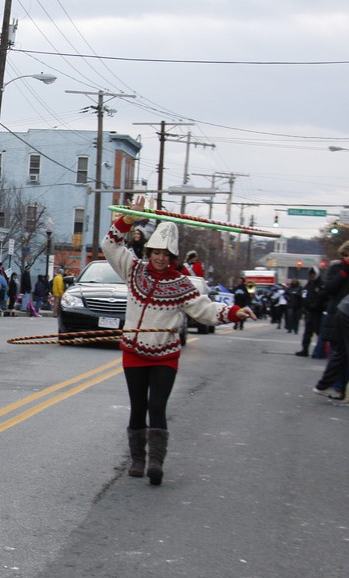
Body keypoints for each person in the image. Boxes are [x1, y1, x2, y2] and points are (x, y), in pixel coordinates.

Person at [101, 197, 256, 486]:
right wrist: (129, 219)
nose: (160, 257)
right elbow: (110, 245)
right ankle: (137, 458)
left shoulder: (182, 285)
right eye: (156, 252)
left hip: (164, 355)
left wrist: (235, 311)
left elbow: (205, 310)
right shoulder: (133, 271)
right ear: (149, 251)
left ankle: (156, 462)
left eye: (166, 254)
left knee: (157, 406)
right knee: (138, 406)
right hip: (134, 351)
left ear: (173, 257)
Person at [312, 242, 349, 399]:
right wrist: (344, 272)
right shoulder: (338, 268)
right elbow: (329, 289)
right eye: (345, 255)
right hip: (338, 313)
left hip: (344, 311)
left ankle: (335, 386)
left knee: (342, 352)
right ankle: (334, 385)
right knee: (338, 351)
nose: (347, 258)